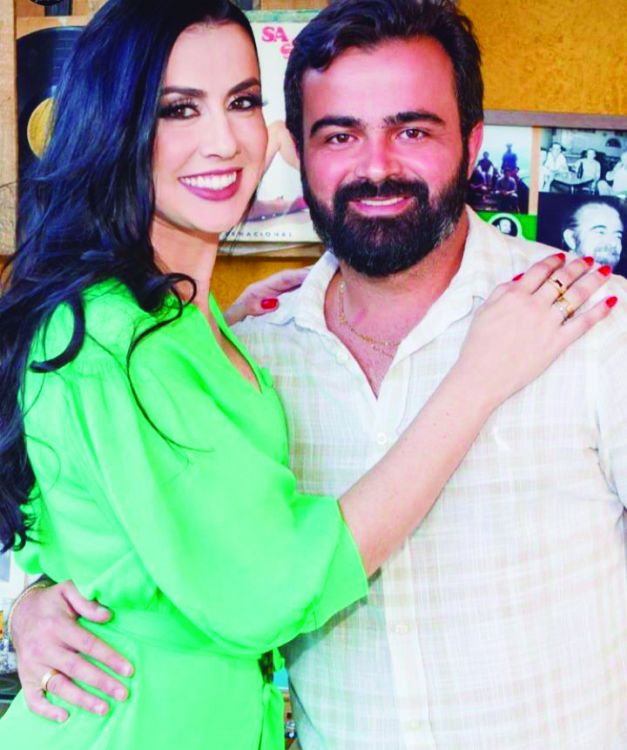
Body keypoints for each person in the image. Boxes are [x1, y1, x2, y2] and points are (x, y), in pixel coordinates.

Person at [7, 0, 623, 748]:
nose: (377, 165)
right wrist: (30, 598)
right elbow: (232, 578)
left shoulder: (590, 321)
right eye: (339, 134)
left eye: (413, 129)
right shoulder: (215, 345)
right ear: (298, 151)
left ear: (471, 142)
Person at [562, 199, 625, 268]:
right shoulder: (555, 273)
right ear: (571, 238)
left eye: (618, 236)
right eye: (601, 232)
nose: (613, 243)